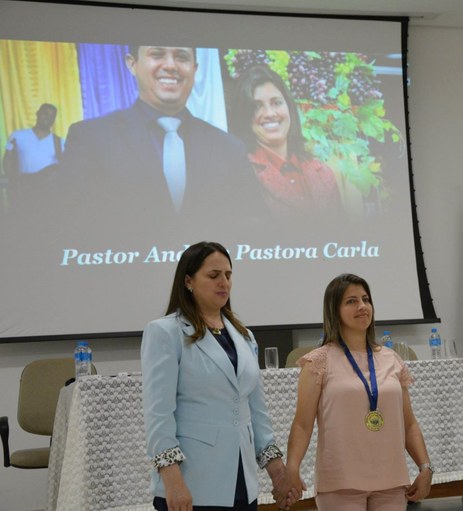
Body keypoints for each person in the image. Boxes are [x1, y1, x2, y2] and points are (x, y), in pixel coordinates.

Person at [141, 241, 300, 510]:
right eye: (213, 275)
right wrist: (172, 480)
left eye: (228, 275)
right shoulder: (165, 332)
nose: (223, 282)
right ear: (188, 281)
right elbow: (158, 414)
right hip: (193, 480)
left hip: (242, 479)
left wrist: (277, 471)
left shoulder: (244, 336)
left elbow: (256, 411)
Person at [273, 273, 432, 510]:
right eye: (351, 301)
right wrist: (292, 469)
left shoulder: (392, 359)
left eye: (366, 299)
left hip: (391, 480)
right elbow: (302, 425)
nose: (362, 306)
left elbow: (409, 423)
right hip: (340, 483)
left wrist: (425, 467)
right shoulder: (318, 361)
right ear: (334, 310)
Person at [58, 46, 263, 221]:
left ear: (195, 69)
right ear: (132, 64)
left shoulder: (229, 147)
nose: (171, 65)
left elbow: (252, 222)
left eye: (181, 57)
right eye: (157, 55)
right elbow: (68, 221)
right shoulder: (90, 138)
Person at [231, 65, 342, 218]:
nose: (269, 113)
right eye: (256, 106)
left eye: (276, 103)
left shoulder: (323, 172)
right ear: (244, 117)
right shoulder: (239, 174)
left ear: (289, 107)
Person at [3, 103, 63, 203]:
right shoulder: (18, 136)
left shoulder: (59, 142)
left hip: (47, 193)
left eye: (51, 116)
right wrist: (13, 180)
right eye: (45, 113)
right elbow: (7, 159)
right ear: (37, 113)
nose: (47, 118)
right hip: (23, 190)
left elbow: (62, 166)